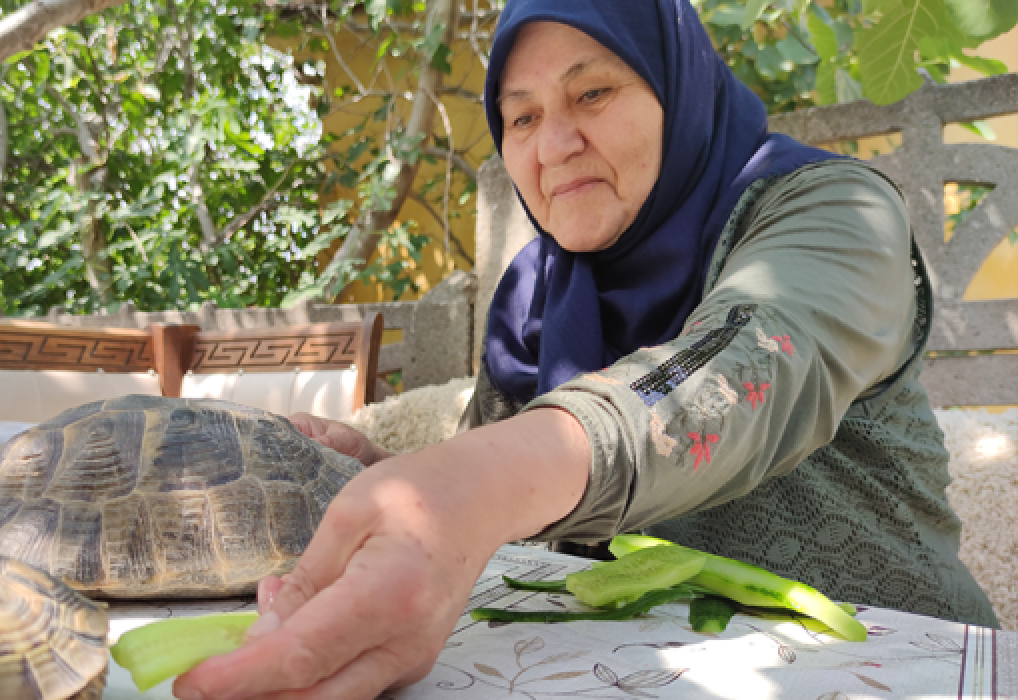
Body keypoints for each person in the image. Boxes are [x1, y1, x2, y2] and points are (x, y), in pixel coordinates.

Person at [173, 1, 1000, 697]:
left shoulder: (835, 215)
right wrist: (393, 479)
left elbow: (731, 367)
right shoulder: (536, 294)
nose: (551, 145)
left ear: (678, 88)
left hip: (894, 665)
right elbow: (522, 508)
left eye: (593, 93)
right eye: (522, 116)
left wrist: (471, 485)